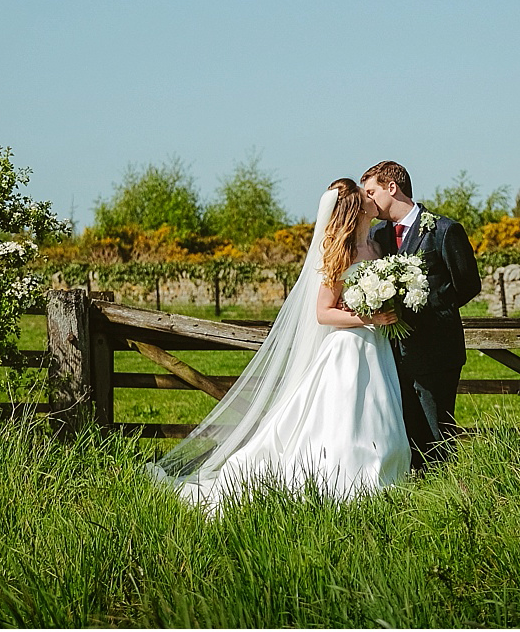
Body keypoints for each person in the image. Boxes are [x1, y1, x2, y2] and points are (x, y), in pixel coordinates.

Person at [147, 178, 410, 507]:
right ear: (354, 209)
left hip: (376, 344)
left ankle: (386, 470)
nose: (371, 200)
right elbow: (323, 313)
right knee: (344, 415)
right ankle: (344, 475)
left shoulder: (377, 246)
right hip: (347, 347)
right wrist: (367, 318)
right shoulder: (341, 254)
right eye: (364, 196)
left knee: (378, 409)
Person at [360, 160, 481, 471]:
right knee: (403, 431)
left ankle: (443, 497)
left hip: (437, 351)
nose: (368, 199)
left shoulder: (443, 230)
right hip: (392, 355)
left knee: (438, 432)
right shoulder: (378, 237)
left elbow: (467, 285)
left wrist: (426, 307)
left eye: (371, 191)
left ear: (392, 187)